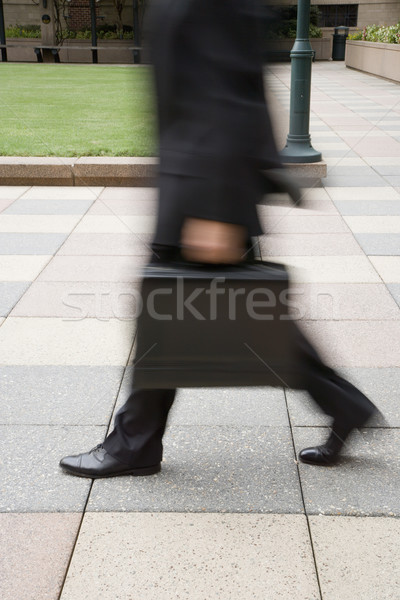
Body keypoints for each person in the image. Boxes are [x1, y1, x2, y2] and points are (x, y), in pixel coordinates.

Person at [60, 0, 379, 478]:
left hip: (204, 188)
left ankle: (134, 444)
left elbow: (226, 94)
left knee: (171, 317)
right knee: (244, 316)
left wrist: (213, 209)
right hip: (204, 180)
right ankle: (344, 404)